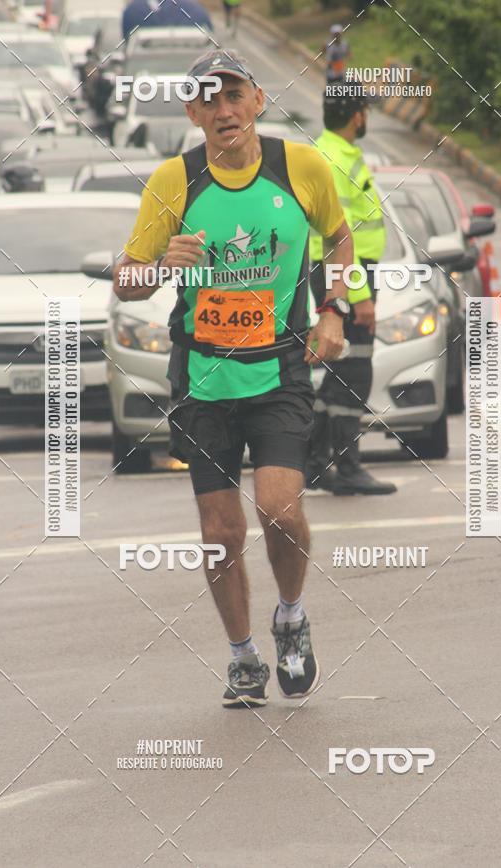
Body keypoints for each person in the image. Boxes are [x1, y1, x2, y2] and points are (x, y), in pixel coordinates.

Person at [113, 49, 355, 708]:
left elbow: (339, 238)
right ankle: (244, 657)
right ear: (193, 113)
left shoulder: (299, 166)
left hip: (279, 367)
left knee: (279, 509)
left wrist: (334, 308)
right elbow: (126, 281)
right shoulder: (173, 181)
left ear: (258, 101)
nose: (224, 111)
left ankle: (291, 618)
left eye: (234, 96)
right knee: (221, 533)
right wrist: (162, 264)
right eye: (208, 100)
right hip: (202, 376)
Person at [307, 89, 397, 496]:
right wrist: (358, 293)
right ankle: (348, 466)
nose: (366, 117)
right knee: (354, 370)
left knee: (339, 369)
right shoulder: (334, 159)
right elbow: (336, 236)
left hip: (343, 273)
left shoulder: (337, 152)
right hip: (343, 274)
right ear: (355, 116)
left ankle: (313, 461)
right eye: (364, 111)